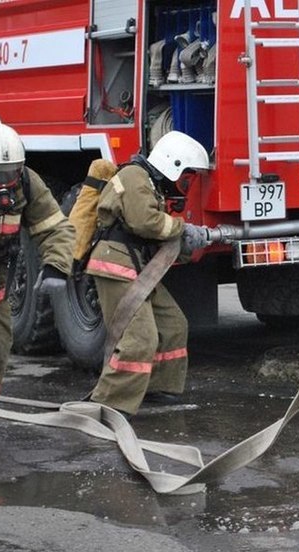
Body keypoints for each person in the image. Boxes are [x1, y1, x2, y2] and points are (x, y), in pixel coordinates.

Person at [0, 114, 75, 441]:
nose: (4, 183)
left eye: (11, 173)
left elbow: (55, 228)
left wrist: (55, 266)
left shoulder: (26, 183)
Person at [85, 131, 211, 419]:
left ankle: (157, 387)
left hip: (137, 264)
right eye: (187, 173)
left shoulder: (150, 183)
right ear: (173, 163)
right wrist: (183, 229)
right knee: (139, 338)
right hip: (115, 263)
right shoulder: (134, 176)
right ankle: (111, 402)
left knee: (173, 325)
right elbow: (145, 221)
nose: (187, 180)